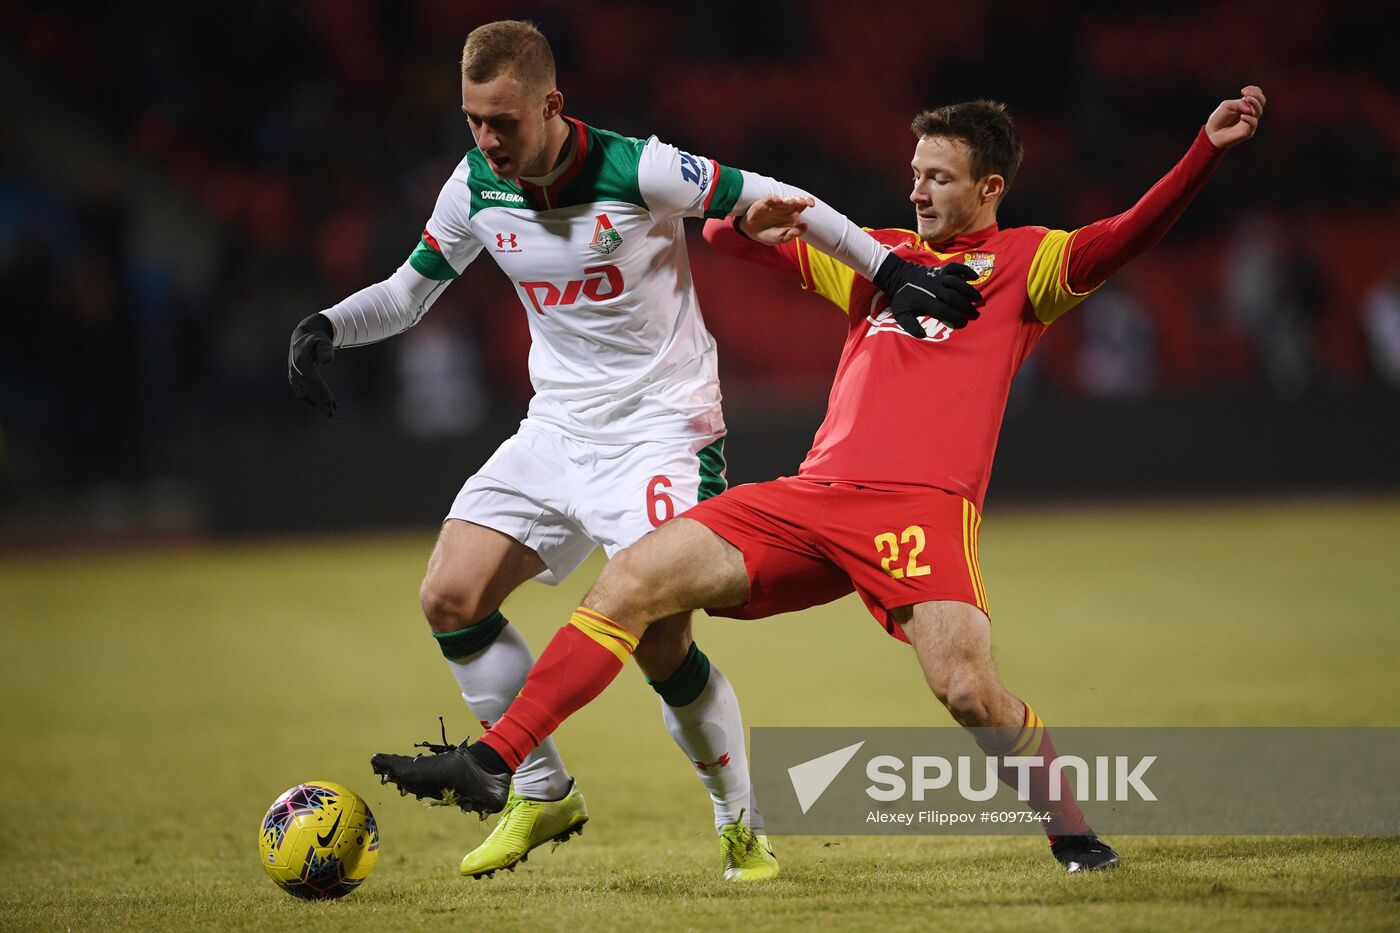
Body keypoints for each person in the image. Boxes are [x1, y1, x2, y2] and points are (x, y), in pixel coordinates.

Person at [372, 84, 1266, 874]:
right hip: (812, 497)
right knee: (634, 579)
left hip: (919, 512)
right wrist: (740, 223)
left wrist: (1202, 155)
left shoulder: (1027, 264)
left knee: (965, 688)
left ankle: (1070, 830)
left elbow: (1125, 238)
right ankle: (501, 760)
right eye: (915, 171)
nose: (917, 188)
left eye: (941, 177)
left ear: (991, 188)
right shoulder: (877, 257)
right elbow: (729, 228)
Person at [289, 20, 980, 881]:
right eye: (473, 119)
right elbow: (407, 294)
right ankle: (542, 794)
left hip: (661, 432)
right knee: (449, 595)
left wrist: (887, 271)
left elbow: (780, 195)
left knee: (659, 641)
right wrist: (329, 326)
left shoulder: (639, 167)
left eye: (503, 121)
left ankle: (741, 826)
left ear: (552, 104)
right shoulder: (473, 186)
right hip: (555, 430)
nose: (487, 139)